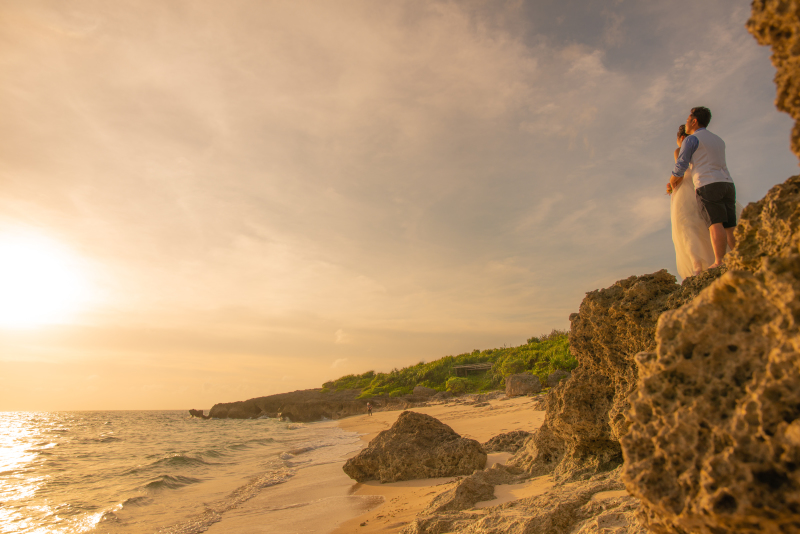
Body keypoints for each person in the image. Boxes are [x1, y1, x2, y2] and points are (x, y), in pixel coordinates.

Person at [670, 107, 737, 268]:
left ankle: (720, 261)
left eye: (687, 120)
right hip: (727, 183)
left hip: (707, 184)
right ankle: (739, 256)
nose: (686, 123)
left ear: (694, 121)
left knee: (715, 224)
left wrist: (672, 180)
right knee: (730, 226)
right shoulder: (718, 139)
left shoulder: (691, 140)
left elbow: (681, 164)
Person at [668, 124, 715, 277]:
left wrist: (671, 184)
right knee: (708, 224)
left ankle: (697, 266)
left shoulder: (679, 150)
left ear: (681, 138)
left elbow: (680, 172)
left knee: (686, 227)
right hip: (703, 183)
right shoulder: (701, 147)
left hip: (686, 190)